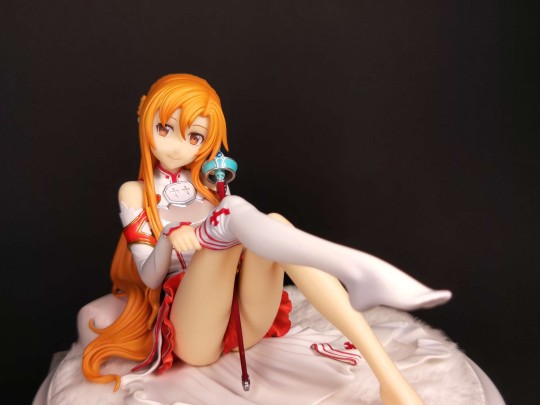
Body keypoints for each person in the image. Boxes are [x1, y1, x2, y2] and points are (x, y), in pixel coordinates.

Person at [78, 73, 451, 405]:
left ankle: (391, 380)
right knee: (237, 215)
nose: (178, 147)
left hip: (245, 321)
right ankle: (353, 267)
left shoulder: (210, 185)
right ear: (144, 117)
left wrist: (221, 206)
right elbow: (149, 279)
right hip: (194, 331)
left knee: (272, 221)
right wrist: (167, 238)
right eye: (165, 128)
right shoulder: (134, 193)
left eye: (194, 137)